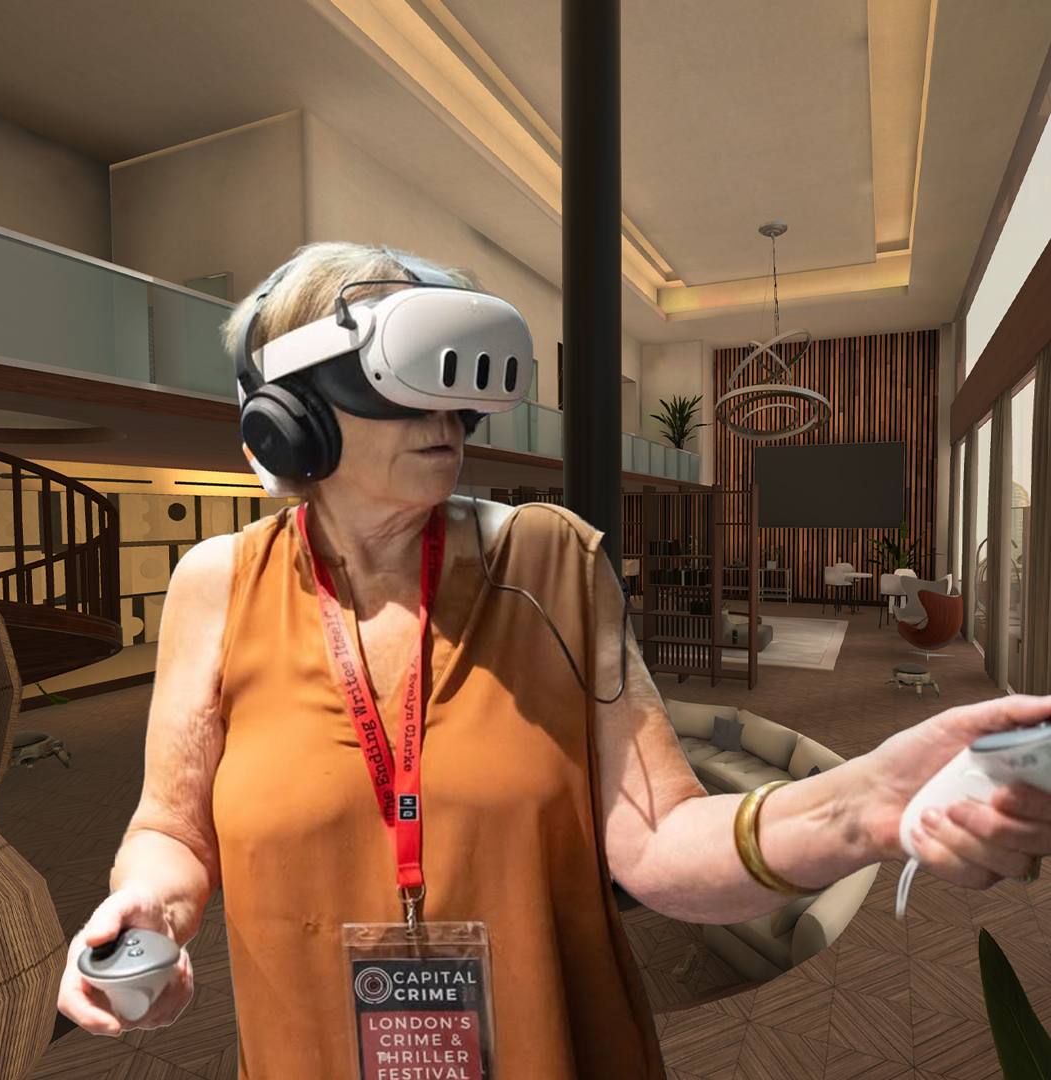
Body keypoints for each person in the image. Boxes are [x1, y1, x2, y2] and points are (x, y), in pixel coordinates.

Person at [59, 242, 1051, 1079]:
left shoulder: (550, 558)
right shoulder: (217, 583)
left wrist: (860, 806)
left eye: (457, 388)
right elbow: (172, 827)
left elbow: (659, 842)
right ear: (289, 416)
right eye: (401, 383)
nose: (446, 414)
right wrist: (150, 900)